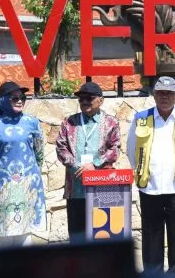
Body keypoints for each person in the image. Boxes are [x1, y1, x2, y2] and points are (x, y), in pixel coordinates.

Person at [127, 76, 175, 276]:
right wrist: (142, 171)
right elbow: (131, 149)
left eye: (169, 93)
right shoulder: (141, 118)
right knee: (152, 235)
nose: (165, 97)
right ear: (154, 95)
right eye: (160, 93)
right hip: (150, 186)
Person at [0, 81, 46, 247]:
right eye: (14, 98)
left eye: (22, 97)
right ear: (2, 100)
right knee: (3, 233)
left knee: (26, 232)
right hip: (0, 186)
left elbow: (39, 153)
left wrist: (32, 177)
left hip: (27, 185)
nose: (20, 100)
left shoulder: (32, 123)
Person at [55, 82, 121, 242]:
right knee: (77, 237)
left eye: (89, 98)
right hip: (75, 188)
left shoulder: (111, 123)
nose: (84, 102)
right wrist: (76, 166)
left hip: (102, 189)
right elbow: (60, 147)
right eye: (81, 99)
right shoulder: (69, 122)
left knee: (103, 236)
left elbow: (115, 149)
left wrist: (95, 164)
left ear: (101, 100)